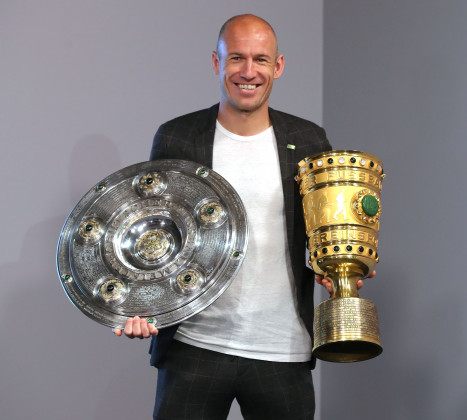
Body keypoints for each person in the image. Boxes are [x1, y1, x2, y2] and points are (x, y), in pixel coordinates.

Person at [112, 14, 370, 419]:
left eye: (261, 60)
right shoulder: (177, 136)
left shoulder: (308, 140)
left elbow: (326, 229)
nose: (248, 72)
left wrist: (339, 266)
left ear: (278, 66)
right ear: (217, 63)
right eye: (236, 58)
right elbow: (151, 228)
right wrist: (138, 304)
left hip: (282, 349)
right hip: (194, 347)